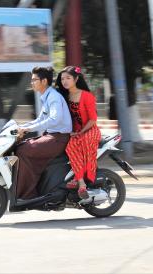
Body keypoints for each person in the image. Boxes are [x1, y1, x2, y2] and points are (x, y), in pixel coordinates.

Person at [16, 66, 72, 199]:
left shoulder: (53, 97)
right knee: (19, 147)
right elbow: (40, 119)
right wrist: (21, 127)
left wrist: (28, 129)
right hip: (52, 136)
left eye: (34, 80)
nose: (32, 83)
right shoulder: (46, 97)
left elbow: (54, 119)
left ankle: (28, 193)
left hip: (59, 138)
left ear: (44, 81)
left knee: (23, 150)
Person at [55, 66, 101, 199]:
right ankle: (81, 184)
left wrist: (80, 132)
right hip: (75, 132)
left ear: (76, 79)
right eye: (62, 78)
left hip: (90, 130)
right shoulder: (64, 97)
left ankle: (85, 179)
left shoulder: (87, 96)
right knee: (70, 147)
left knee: (85, 143)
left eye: (68, 78)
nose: (65, 81)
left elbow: (93, 119)